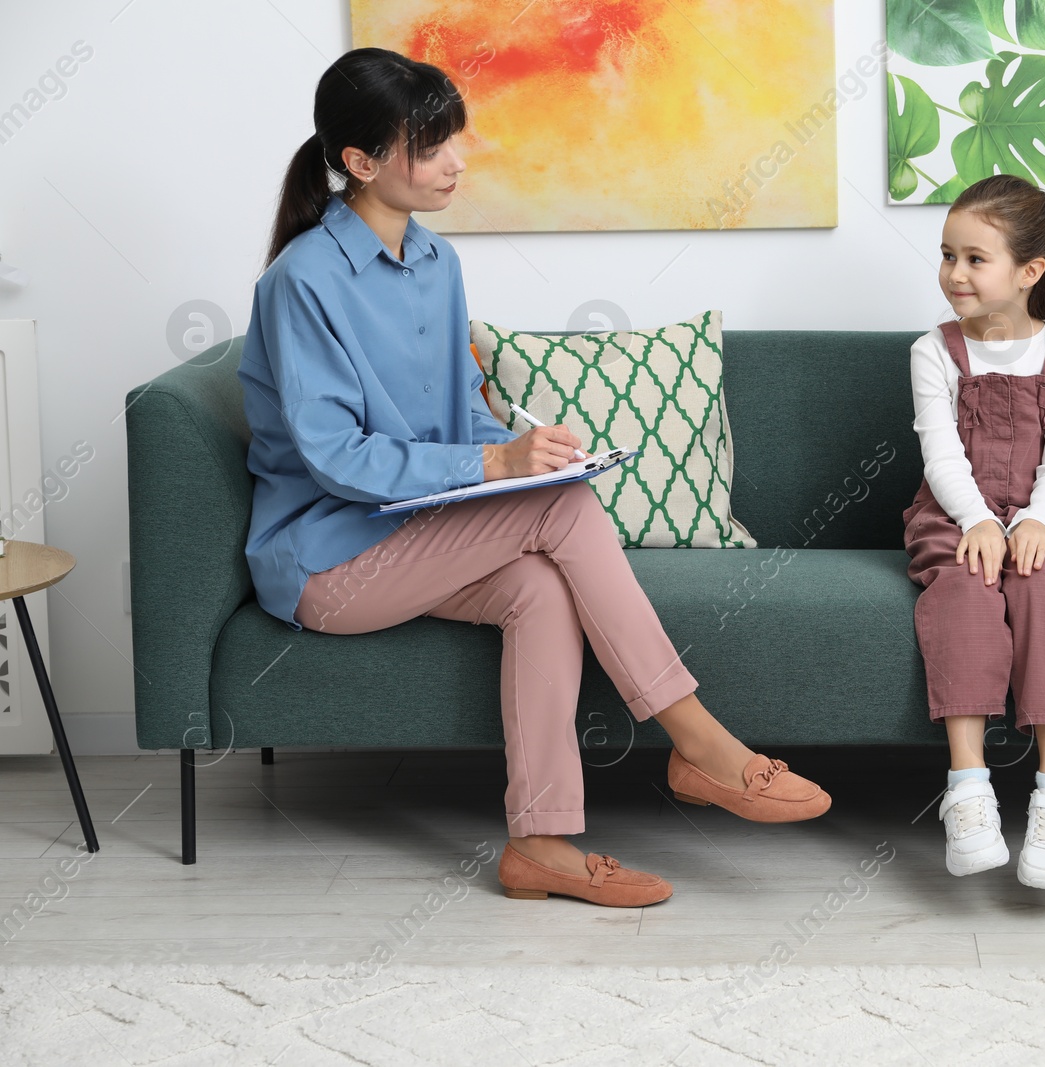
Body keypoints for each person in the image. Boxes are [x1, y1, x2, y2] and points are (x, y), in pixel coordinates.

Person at [237, 47, 829, 910]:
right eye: (431, 148)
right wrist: (498, 467)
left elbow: (457, 413)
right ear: (361, 163)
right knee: (560, 507)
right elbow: (336, 456)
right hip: (330, 560)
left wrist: (527, 445)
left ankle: (540, 844)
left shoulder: (436, 263)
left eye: (453, 142)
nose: (456, 163)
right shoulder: (300, 283)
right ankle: (698, 742)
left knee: (541, 587)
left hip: (414, 533)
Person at [901, 174, 1045, 890]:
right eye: (947, 254)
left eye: (974, 258)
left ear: (1030, 272)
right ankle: (968, 789)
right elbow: (941, 454)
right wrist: (980, 520)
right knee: (963, 592)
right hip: (955, 515)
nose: (954, 273)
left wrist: (1033, 521)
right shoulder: (934, 351)